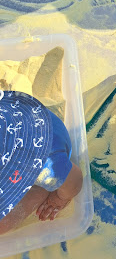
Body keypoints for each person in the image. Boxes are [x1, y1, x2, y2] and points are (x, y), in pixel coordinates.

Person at [0, 90, 83, 234]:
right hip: (14, 113)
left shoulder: (44, 167)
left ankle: (40, 190)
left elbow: (75, 181)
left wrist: (59, 198)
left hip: (45, 141)